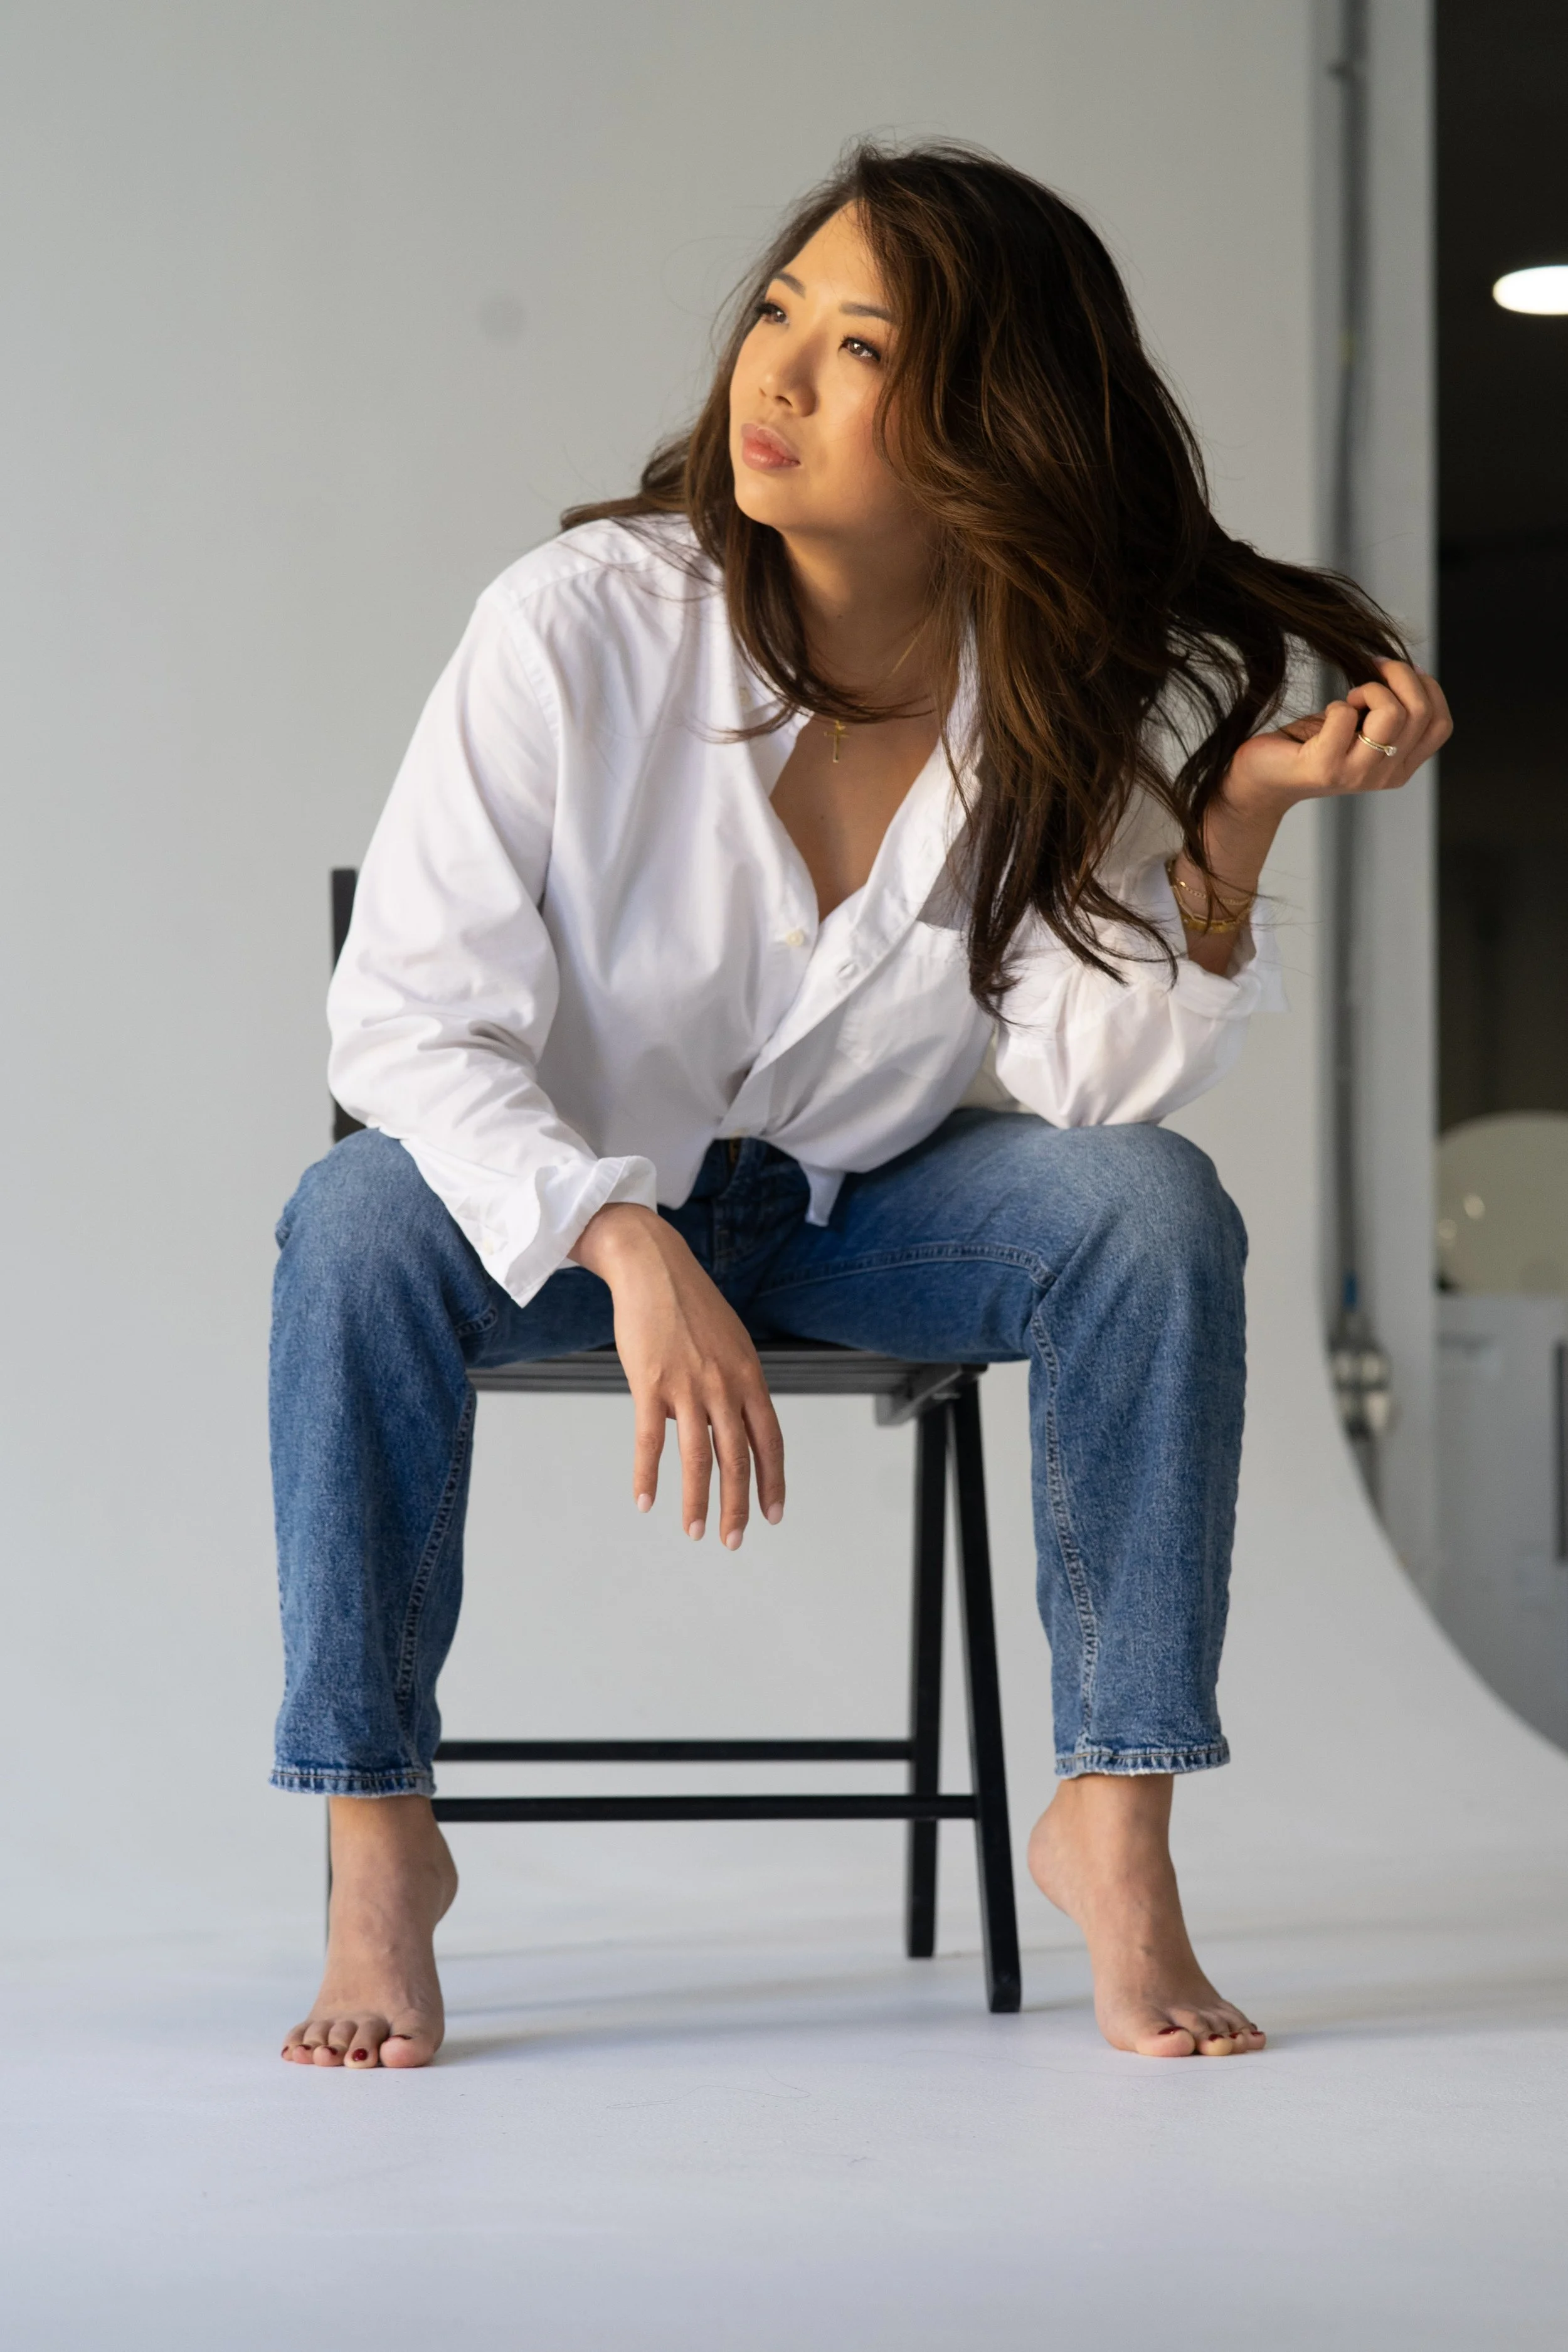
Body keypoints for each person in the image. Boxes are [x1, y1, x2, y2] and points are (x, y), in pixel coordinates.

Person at [272, 142, 1449, 2070]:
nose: (778, 371)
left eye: (860, 345)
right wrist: (622, 1234)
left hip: (862, 1213)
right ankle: (376, 1839)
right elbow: (403, 1026)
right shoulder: (576, 624)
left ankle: (1116, 1825)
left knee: (1150, 1205)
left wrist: (1231, 826)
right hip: (576, 1226)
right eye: (777, 313)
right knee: (348, 1223)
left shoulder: (1048, 689)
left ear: (993, 414)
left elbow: (1089, 1079)